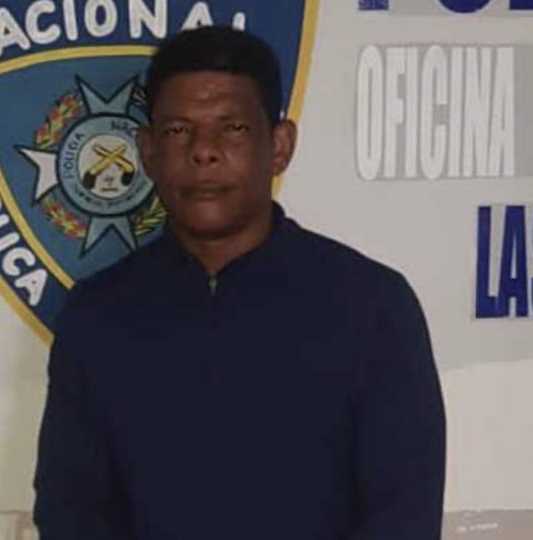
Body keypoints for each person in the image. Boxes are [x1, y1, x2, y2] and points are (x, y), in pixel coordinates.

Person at [33, 26, 446, 540]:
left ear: (280, 146)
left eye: (232, 128)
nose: (203, 152)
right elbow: (71, 513)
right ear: (148, 151)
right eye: (178, 131)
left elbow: (403, 517)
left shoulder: (372, 307)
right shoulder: (96, 316)